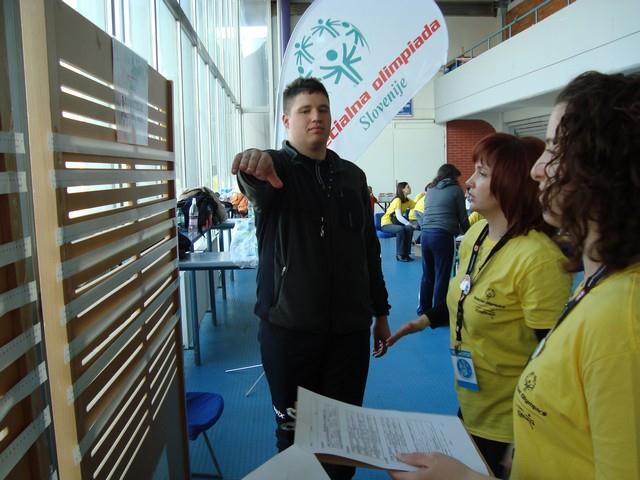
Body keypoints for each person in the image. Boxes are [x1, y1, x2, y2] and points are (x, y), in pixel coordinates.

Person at [387, 71, 640, 480]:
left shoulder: (623, 320)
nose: (538, 169)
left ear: (604, 169)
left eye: (554, 148)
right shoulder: (601, 290)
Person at [231, 77, 391, 480]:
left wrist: (381, 311)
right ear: (287, 120)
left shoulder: (352, 177)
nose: (316, 117)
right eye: (305, 110)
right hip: (289, 332)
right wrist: (253, 163)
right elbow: (255, 177)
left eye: (322, 109)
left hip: (349, 333)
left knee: (343, 438)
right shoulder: (277, 171)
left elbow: (368, 249)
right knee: (294, 438)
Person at [387, 133, 572, 478]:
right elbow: (465, 295)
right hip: (472, 406)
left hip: (512, 425)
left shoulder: (538, 260)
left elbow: (553, 362)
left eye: (482, 173)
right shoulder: (476, 236)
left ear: (512, 184)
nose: (469, 182)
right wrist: (422, 321)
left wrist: (527, 435)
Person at [415, 164, 469, 313]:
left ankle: (423, 309)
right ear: (452, 176)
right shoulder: (456, 190)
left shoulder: (431, 190)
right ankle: (438, 313)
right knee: (442, 275)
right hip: (443, 236)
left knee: (428, 274)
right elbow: (463, 217)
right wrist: (470, 234)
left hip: (425, 235)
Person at [381, 181, 418, 261]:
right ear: (402, 189)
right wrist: (410, 224)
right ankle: (400, 255)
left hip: (396, 223)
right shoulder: (397, 200)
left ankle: (406, 254)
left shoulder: (407, 200)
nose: (410, 188)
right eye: (408, 187)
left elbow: (417, 205)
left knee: (409, 228)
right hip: (386, 224)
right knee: (400, 229)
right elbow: (399, 217)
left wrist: (424, 196)